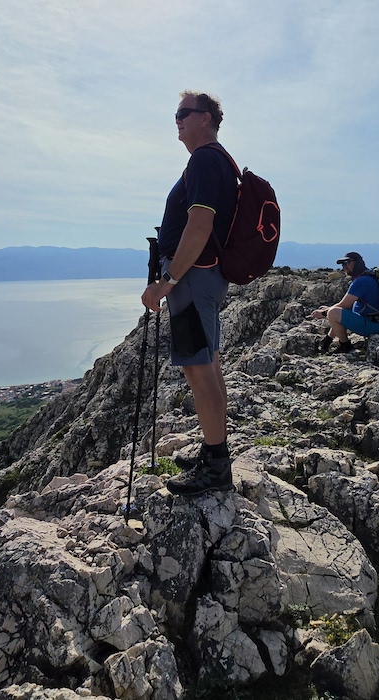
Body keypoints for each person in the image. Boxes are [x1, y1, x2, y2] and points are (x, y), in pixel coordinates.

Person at [140, 91, 238, 496]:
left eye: (184, 113)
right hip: (205, 276)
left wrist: (169, 280)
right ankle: (215, 450)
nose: (177, 120)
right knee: (209, 362)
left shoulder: (203, 160)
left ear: (206, 118)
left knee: (199, 370)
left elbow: (198, 225)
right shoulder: (218, 160)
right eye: (176, 114)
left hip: (194, 277)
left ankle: (216, 468)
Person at [311, 252, 379, 352]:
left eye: (347, 263)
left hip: (373, 325)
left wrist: (323, 312)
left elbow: (343, 305)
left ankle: (345, 346)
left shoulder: (361, 281)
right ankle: (326, 341)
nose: (344, 267)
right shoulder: (370, 275)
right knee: (336, 311)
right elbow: (344, 307)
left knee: (333, 312)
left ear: (357, 263)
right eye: (342, 264)